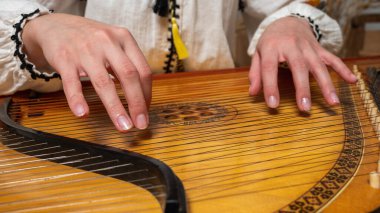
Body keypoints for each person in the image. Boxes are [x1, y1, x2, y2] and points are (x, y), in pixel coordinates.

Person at [0, 0, 357, 132]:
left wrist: (289, 22)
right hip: (93, 112)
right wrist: (37, 27)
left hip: (225, 116)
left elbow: (279, 6)